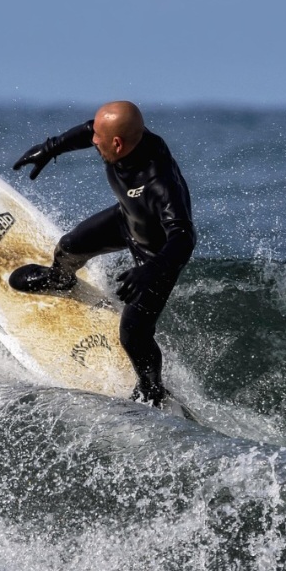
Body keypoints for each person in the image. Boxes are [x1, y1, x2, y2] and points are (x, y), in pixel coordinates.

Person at [10, 101, 196, 406]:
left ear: (118, 144)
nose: (93, 141)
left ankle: (152, 389)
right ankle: (60, 280)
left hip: (157, 257)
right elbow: (88, 131)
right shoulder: (120, 139)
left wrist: (151, 269)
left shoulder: (159, 182)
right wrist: (50, 148)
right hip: (126, 220)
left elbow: (184, 237)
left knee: (133, 334)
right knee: (69, 247)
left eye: (99, 138)